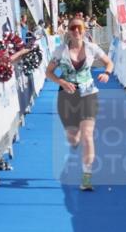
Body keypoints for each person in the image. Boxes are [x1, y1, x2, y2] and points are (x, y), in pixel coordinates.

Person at [45, 17, 114, 192]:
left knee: (87, 136)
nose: (76, 31)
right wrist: (61, 82)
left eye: (79, 28)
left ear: (84, 30)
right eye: (72, 28)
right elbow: (48, 72)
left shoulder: (92, 48)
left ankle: (86, 178)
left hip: (88, 93)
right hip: (67, 97)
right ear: (68, 31)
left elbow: (109, 62)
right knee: (73, 138)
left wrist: (106, 73)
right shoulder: (60, 51)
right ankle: (73, 140)